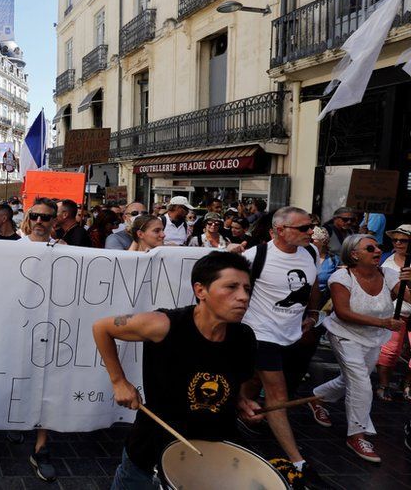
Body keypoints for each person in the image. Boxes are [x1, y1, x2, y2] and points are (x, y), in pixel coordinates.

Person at [95, 251, 263, 489]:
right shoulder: (164, 325)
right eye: (232, 287)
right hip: (152, 447)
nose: (243, 297)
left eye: (247, 289)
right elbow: (102, 328)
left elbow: (235, 388)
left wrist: (242, 402)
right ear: (200, 290)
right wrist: (119, 382)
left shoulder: (244, 337)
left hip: (212, 449)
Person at [239, 206, 322, 484]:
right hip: (260, 334)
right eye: (303, 228)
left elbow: (312, 284)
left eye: (311, 226)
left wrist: (312, 314)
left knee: (253, 379)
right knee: (278, 394)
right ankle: (297, 461)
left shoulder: (311, 253)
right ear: (279, 230)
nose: (311, 232)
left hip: (292, 336)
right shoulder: (256, 256)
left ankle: (237, 409)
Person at [310, 235, 411, 463]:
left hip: (373, 337)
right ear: (354, 254)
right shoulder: (341, 277)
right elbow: (344, 313)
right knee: (362, 383)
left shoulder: (389, 274)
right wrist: (384, 323)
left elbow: (409, 297)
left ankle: (317, 397)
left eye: (377, 247)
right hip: (345, 335)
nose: (378, 250)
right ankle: (356, 434)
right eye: (370, 247)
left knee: (354, 379)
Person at [19, 198, 64, 482]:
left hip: (50, 327)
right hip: (18, 325)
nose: (39, 221)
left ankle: (41, 446)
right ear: (28, 217)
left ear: (54, 222)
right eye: (35, 216)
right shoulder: (11, 248)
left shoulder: (66, 251)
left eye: (45, 218)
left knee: (47, 380)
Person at [376, 224, 411, 401]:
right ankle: (383, 384)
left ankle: (408, 383)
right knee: (390, 351)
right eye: (395, 239)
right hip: (395, 312)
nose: (398, 243)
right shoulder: (385, 261)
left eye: (403, 240)